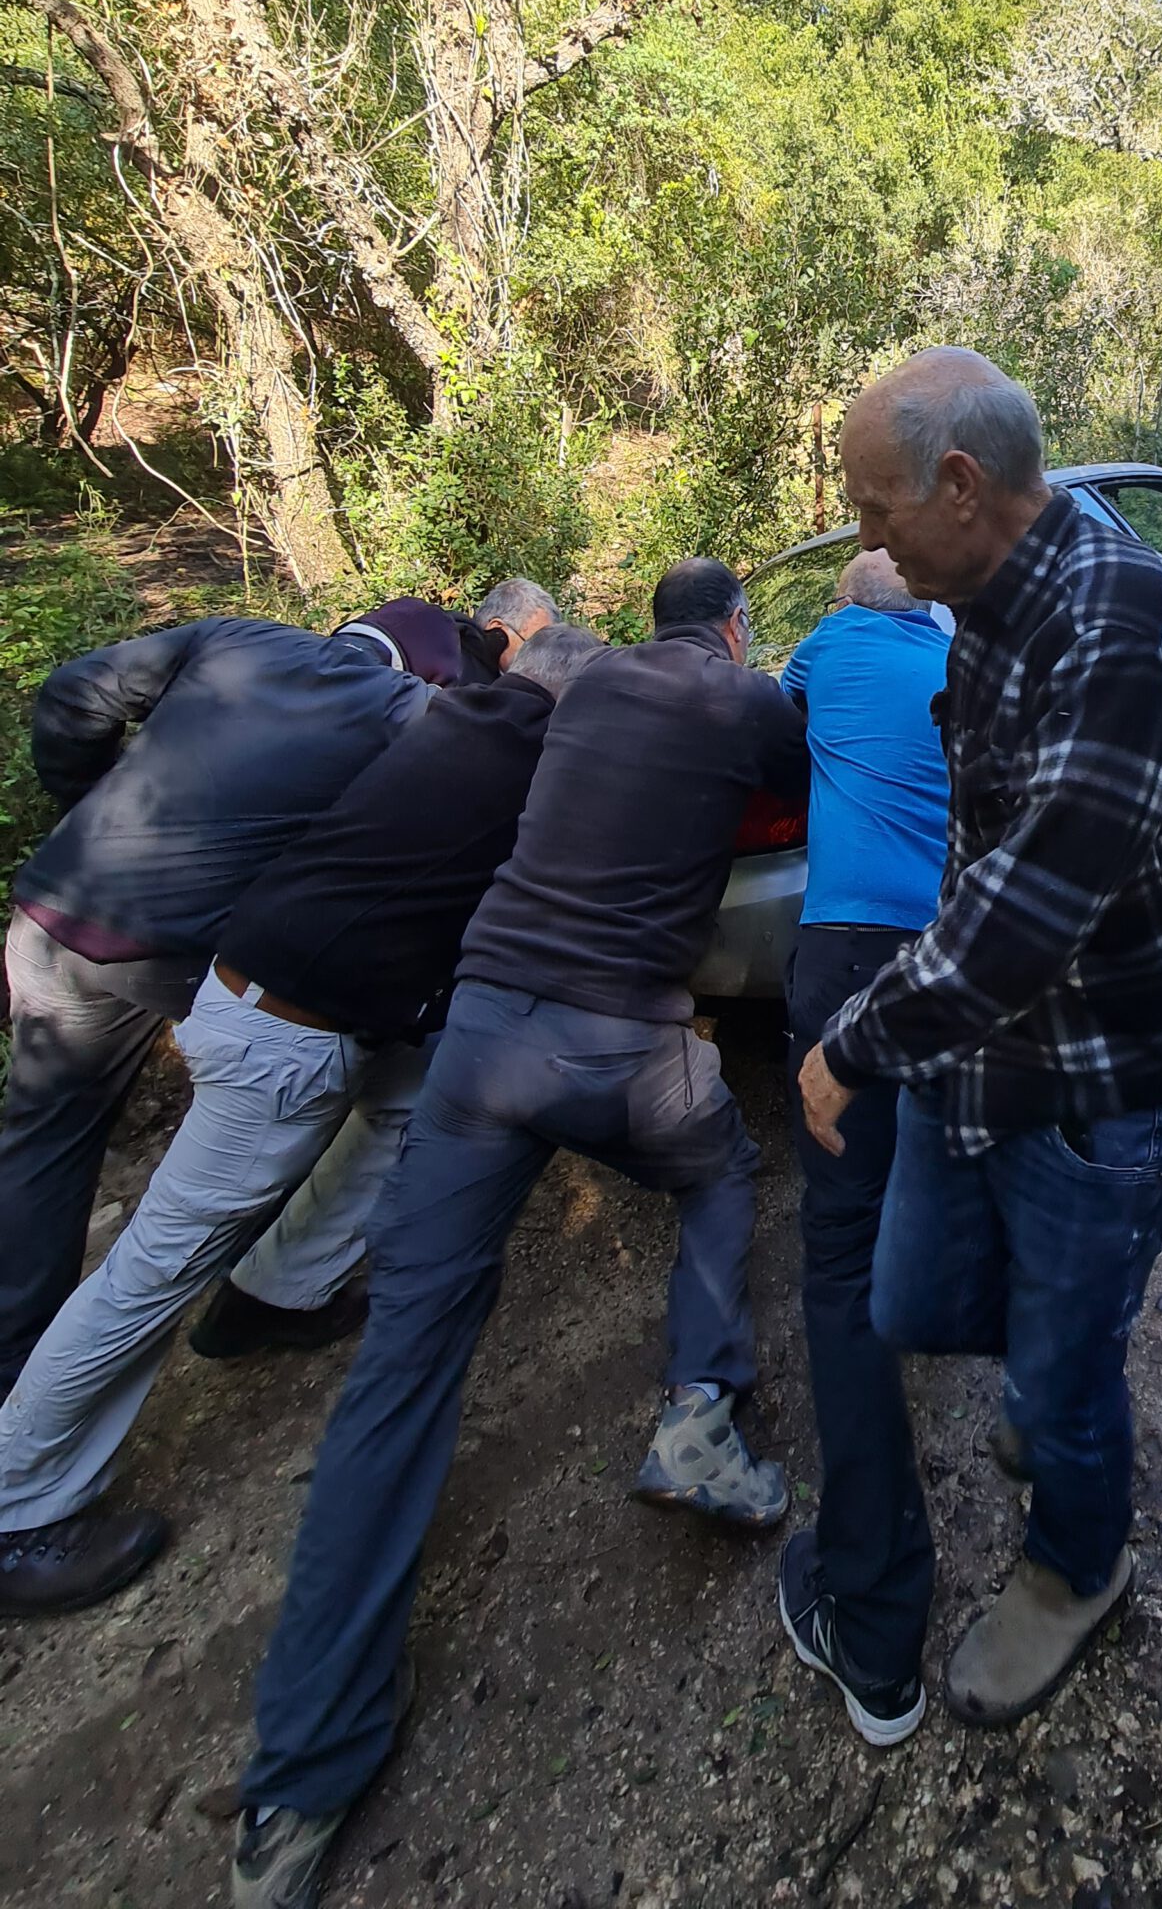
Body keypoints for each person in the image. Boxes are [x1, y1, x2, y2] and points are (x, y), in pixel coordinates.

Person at [230, 560, 807, 1909]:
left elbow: (522, 677)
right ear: (730, 630)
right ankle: (700, 1413)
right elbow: (820, 742)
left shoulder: (579, 677)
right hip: (622, 1043)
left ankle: (295, 1785)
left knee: (404, 1368)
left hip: (480, 1038)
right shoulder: (743, 697)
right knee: (721, 1168)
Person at [794, 349, 1162, 1732]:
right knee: (910, 1294)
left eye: (874, 505)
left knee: (1066, 1373)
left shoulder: (1113, 613)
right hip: (1003, 1052)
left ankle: (1078, 1561)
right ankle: (1058, 1376)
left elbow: (1025, 911)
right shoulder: (986, 594)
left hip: (1105, 1082)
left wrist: (850, 1041)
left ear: (958, 484)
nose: (864, 534)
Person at [0, 625, 603, 1617]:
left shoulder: (279, 659)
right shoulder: (420, 724)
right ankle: (20, 1499)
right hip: (248, 1002)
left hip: (113, 929)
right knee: (159, 1256)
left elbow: (75, 691)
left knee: (414, 1083)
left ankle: (275, 1289)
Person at [0, 611, 443, 1403]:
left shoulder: (234, 638)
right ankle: (269, 1286)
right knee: (347, 1074)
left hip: (49, 916)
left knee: (43, 1145)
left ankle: (11, 1371)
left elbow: (72, 695)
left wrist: (91, 804)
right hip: (168, 950)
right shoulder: (397, 708)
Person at [776, 549, 951, 1747]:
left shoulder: (826, 648)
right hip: (960, 958)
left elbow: (762, 712)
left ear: (847, 603)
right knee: (961, 1190)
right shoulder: (961, 654)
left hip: (845, 962)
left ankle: (876, 1635)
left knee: (839, 1264)